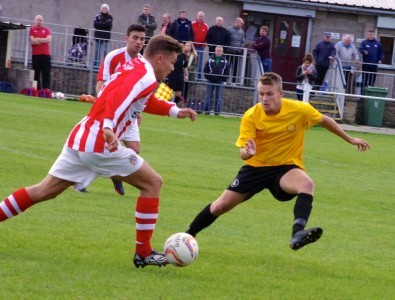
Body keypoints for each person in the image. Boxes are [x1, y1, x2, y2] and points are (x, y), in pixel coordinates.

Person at [0, 35, 197, 268]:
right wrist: (108, 127)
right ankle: (143, 253)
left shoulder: (136, 67)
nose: (172, 68)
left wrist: (174, 111)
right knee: (153, 183)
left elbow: (139, 100)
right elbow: (116, 97)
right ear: (160, 58)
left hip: (81, 136)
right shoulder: (143, 75)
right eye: (172, 62)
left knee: (44, 190)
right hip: (99, 143)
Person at [186, 72, 370, 251]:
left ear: (280, 94)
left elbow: (324, 120)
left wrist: (350, 139)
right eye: (261, 94)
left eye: (269, 94)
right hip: (256, 168)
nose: (264, 99)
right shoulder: (252, 115)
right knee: (220, 206)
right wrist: (248, 153)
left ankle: (297, 233)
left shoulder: (299, 109)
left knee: (307, 184)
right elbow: (243, 152)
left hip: (285, 168)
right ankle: (186, 238)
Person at [89, 24, 145, 195]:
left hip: (129, 113)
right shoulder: (114, 57)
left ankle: (115, 176)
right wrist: (104, 107)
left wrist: (138, 111)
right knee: (101, 147)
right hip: (110, 112)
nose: (138, 42)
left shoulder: (142, 62)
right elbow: (101, 84)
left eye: (142, 39)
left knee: (134, 150)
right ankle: (81, 179)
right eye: (135, 37)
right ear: (126, 38)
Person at [203, 45, 230, 115]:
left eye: (220, 51)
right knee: (208, 96)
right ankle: (207, 111)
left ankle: (217, 112)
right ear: (215, 51)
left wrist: (223, 78)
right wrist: (208, 77)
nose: (218, 52)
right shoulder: (209, 60)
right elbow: (205, 70)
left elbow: (227, 71)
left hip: (220, 81)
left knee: (219, 97)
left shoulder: (225, 61)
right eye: (217, 51)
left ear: (222, 52)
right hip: (210, 80)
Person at [29, 15, 52, 90]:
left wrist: (38, 39)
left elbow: (48, 40)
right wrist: (43, 40)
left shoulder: (46, 30)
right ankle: (37, 89)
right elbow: (32, 41)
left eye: (41, 20)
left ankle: (46, 89)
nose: (39, 22)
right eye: (38, 20)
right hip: (36, 55)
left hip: (46, 55)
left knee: (46, 73)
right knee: (36, 73)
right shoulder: (32, 29)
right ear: (35, 20)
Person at [359, 29, 384, 94]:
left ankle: (369, 96)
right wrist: (364, 51)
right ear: (368, 34)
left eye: (372, 34)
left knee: (371, 82)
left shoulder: (378, 43)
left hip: (374, 66)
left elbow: (381, 53)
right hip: (365, 65)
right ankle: (362, 96)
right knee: (364, 81)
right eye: (369, 34)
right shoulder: (364, 42)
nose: (370, 35)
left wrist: (380, 60)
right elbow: (360, 49)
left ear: (374, 34)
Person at [93, 4, 113, 68]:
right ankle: (95, 65)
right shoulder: (97, 16)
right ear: (101, 9)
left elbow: (109, 25)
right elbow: (95, 25)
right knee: (97, 51)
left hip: (106, 37)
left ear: (108, 10)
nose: (104, 9)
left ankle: (105, 66)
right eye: (103, 8)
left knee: (105, 52)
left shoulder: (110, 17)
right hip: (98, 36)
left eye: (106, 8)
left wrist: (100, 24)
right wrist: (103, 24)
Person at [191, 11, 209, 80]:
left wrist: (205, 43)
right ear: (197, 16)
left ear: (203, 17)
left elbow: (207, 36)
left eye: (202, 16)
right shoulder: (192, 24)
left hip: (201, 47)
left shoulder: (206, 26)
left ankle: (198, 78)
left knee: (199, 63)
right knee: (191, 62)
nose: (200, 18)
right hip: (193, 47)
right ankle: (190, 77)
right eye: (199, 16)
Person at [227, 17, 245, 83]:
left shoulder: (242, 32)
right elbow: (227, 39)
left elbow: (243, 41)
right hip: (229, 51)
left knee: (235, 68)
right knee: (228, 66)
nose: (242, 25)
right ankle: (226, 80)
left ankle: (233, 82)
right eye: (241, 23)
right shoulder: (229, 30)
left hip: (236, 52)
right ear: (237, 22)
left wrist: (240, 49)